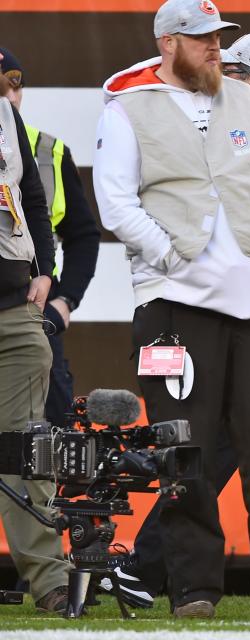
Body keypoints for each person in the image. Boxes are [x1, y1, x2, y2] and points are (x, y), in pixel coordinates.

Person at [91, 0, 250, 619]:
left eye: (219, 37)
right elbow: (115, 201)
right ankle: (196, 592)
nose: (215, 47)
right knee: (187, 453)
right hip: (174, 306)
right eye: (202, 37)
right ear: (167, 42)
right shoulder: (127, 109)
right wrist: (172, 258)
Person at [0, 54, 72, 613]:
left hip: (13, 311)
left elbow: (33, 201)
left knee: (28, 447)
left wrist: (45, 269)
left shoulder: (7, 119)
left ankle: (49, 580)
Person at [0, 47, 101, 430]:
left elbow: (83, 236)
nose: (10, 95)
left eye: (16, 85)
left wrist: (65, 300)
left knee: (51, 430)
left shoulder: (48, 150)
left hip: (32, 305)